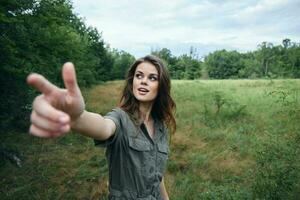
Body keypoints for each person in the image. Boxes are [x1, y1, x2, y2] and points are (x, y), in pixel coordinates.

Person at [27, 55, 176, 200]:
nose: (143, 81)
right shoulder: (120, 118)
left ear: (161, 85)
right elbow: (104, 127)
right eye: (139, 76)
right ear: (132, 82)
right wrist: (76, 117)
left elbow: (157, 173)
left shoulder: (161, 127)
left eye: (152, 78)